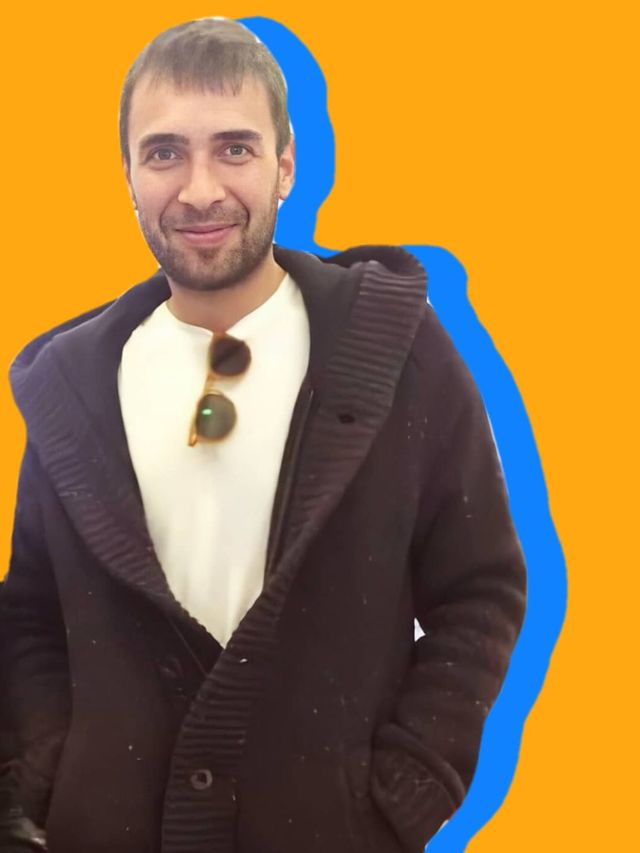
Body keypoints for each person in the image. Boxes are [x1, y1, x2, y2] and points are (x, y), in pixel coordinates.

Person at [0, 17, 526, 853]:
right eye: (165, 153)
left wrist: (406, 790)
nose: (200, 189)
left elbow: (481, 588)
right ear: (128, 174)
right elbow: (31, 611)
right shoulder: (71, 388)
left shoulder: (399, 350)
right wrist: (47, 776)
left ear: (286, 164)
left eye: (234, 149)